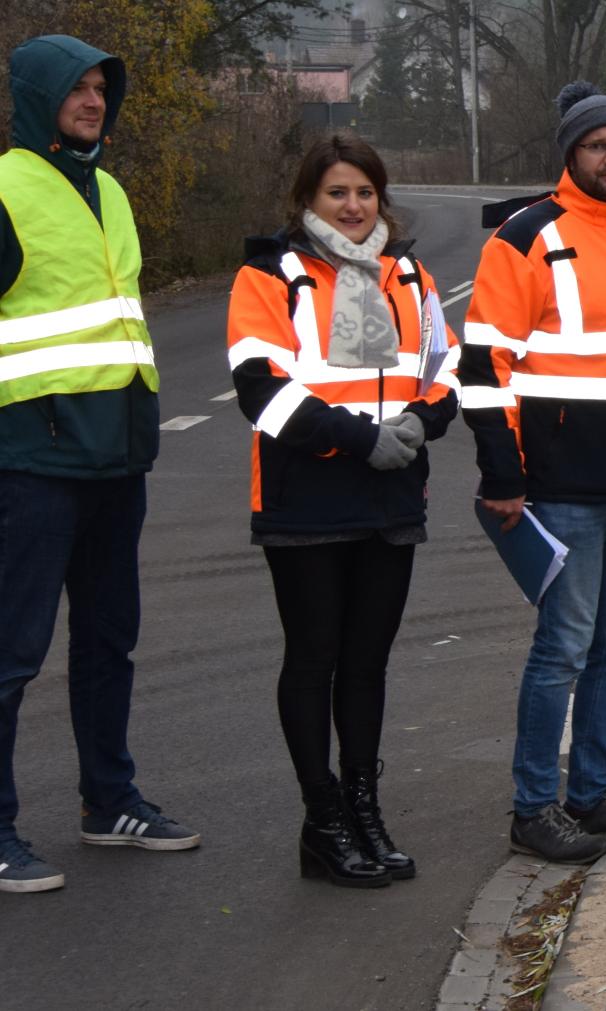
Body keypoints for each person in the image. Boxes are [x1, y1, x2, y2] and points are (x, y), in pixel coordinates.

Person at [461, 81, 606, 864]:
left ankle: (591, 791)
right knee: (563, 646)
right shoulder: (526, 236)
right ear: (571, 155)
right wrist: (504, 470)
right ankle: (534, 807)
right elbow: (484, 365)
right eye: (597, 145)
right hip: (562, 487)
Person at [225, 135, 459, 887]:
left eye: (364, 192)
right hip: (309, 494)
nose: (353, 206)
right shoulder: (270, 273)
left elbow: (442, 366)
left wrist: (425, 421)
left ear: (380, 198)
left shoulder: (409, 271)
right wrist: (362, 440)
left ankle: (365, 809)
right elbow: (263, 388)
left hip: (391, 492)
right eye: (337, 194)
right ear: (307, 202)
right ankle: (322, 820)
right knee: (314, 657)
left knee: (367, 662)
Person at [0, 35, 201, 894]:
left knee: (110, 639)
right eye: (75, 89)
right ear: (36, 96)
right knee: (13, 650)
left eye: (99, 90)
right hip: (30, 459)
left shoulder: (110, 189)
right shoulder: (7, 187)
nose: (91, 102)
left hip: (116, 454)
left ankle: (108, 800)